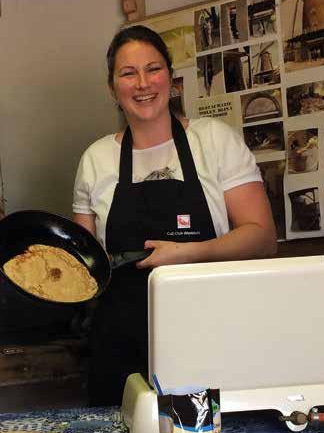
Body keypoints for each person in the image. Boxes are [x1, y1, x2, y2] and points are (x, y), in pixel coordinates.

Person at [73, 25, 277, 405]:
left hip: (209, 334)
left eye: (153, 69)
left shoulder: (213, 140)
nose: (142, 83)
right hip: (120, 347)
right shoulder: (95, 159)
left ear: (171, 78)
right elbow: (83, 266)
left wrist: (186, 253)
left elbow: (262, 237)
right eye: (128, 73)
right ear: (112, 88)